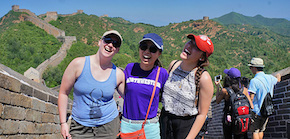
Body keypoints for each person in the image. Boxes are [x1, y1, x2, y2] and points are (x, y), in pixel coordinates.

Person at [58, 30, 125, 139]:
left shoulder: (118, 74)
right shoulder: (78, 64)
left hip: (109, 127)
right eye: (108, 40)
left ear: (117, 50)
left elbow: (131, 98)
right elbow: (63, 93)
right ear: (100, 42)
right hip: (80, 127)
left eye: (115, 44)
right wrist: (63, 123)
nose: (110, 45)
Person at [160, 34, 214, 139]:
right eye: (190, 42)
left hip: (185, 127)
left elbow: (202, 114)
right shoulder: (173, 65)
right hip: (164, 120)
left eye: (196, 47)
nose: (189, 46)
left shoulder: (204, 78)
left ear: (202, 57)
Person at [120, 33, 169, 139]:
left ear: (159, 53)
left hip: (150, 127)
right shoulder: (130, 68)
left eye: (152, 49)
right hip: (127, 125)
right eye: (143, 47)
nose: (147, 52)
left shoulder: (162, 74)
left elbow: (167, 98)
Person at [247, 57, 281, 139]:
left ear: (255, 68)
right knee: (261, 130)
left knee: (255, 131)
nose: (250, 69)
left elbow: (251, 98)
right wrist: (278, 75)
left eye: (251, 67)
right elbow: (278, 79)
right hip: (266, 110)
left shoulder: (254, 81)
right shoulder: (270, 78)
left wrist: (249, 108)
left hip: (256, 110)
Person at [215, 67, 253, 139]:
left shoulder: (225, 91)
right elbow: (251, 106)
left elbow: (217, 101)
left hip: (229, 120)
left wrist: (217, 87)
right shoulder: (244, 90)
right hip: (242, 119)